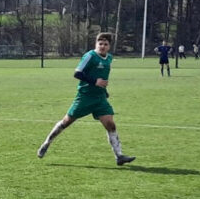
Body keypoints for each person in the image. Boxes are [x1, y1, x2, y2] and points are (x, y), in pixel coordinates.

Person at [37, 32, 135, 166]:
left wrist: (104, 91)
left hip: (99, 99)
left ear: (109, 46)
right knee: (66, 122)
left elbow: (102, 77)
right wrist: (95, 82)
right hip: (84, 97)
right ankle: (46, 143)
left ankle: (119, 156)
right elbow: (77, 73)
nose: (102, 46)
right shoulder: (90, 56)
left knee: (111, 125)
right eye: (100, 43)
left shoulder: (109, 58)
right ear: (96, 44)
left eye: (105, 44)